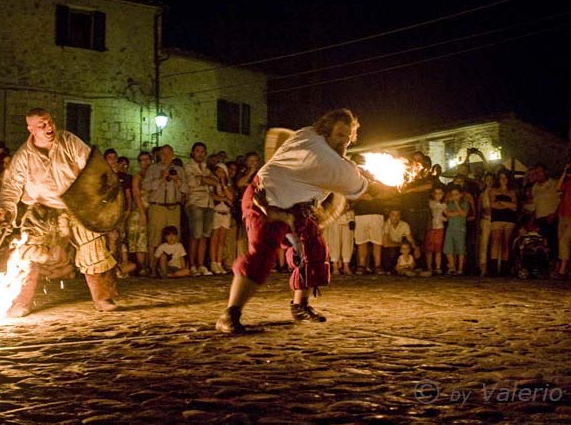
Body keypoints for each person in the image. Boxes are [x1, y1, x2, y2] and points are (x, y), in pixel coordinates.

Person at [215, 108, 386, 334]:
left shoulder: (308, 134)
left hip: (297, 205)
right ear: (326, 132)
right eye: (339, 135)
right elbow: (367, 191)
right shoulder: (331, 163)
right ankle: (230, 314)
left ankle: (300, 306)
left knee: (312, 248)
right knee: (262, 254)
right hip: (266, 199)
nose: (344, 142)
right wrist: (396, 185)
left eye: (348, 136)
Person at [0, 108, 123, 316]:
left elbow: (90, 166)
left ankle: (103, 298)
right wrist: (6, 209)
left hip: (76, 206)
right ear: (31, 129)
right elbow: (11, 186)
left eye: (50, 122)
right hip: (41, 210)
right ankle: (21, 301)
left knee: (94, 249)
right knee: (28, 253)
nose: (48, 128)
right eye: (42, 125)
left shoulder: (69, 141)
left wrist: (100, 199)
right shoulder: (23, 156)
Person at [184, 142, 217, 276]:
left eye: (203, 151)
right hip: (195, 202)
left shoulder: (206, 168)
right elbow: (191, 182)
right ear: (192, 152)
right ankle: (192, 265)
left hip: (208, 203)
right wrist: (204, 180)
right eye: (197, 151)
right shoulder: (188, 167)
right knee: (195, 235)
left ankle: (201, 264)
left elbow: (215, 182)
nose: (200, 154)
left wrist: (202, 179)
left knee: (204, 235)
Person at [553, 153, 571, 279]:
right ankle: (570, 271)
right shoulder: (567, 181)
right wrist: (565, 173)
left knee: (565, 241)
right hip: (563, 214)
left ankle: (561, 271)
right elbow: (557, 188)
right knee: (563, 243)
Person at [443, 185, 469, 275]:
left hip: (460, 229)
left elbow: (464, 214)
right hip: (450, 228)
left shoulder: (464, 203)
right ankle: (452, 266)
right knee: (448, 247)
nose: (454, 197)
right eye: (453, 195)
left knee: (460, 248)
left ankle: (460, 269)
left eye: (456, 194)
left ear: (461, 194)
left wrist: (457, 205)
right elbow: (447, 213)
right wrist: (457, 213)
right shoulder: (450, 204)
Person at [424, 185, 446, 275]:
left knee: (438, 249)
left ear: (443, 194)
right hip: (430, 228)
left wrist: (447, 218)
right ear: (433, 194)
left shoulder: (444, 205)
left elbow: (444, 216)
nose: (438, 195)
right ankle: (429, 268)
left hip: (439, 228)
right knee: (429, 249)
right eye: (436, 193)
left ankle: (438, 268)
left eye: (440, 193)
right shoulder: (430, 203)